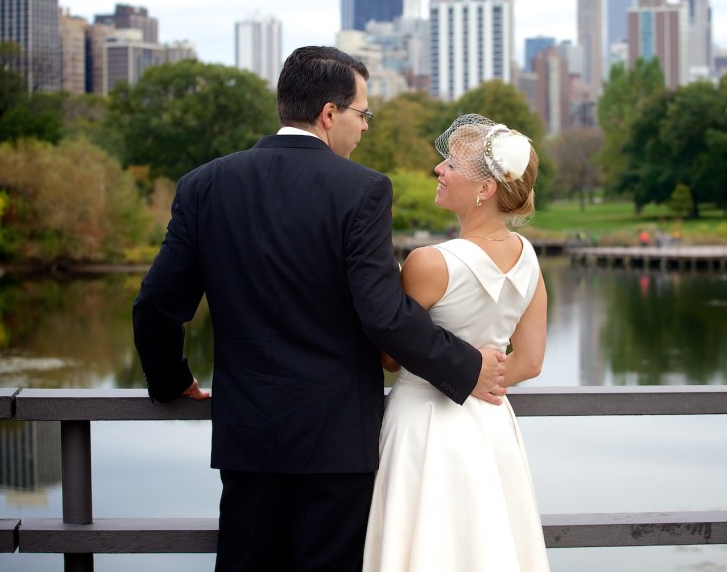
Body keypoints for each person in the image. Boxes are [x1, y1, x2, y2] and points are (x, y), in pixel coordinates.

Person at [132, 47, 508, 572]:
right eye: (363, 114)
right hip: (336, 442)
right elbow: (383, 315)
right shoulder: (362, 190)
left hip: (248, 437)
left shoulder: (204, 185)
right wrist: (467, 366)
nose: (366, 128)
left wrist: (170, 380)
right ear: (330, 115)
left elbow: (155, 304)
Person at [363, 114, 550, 572]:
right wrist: (484, 374)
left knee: (426, 541)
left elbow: (391, 355)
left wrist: (464, 369)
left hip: (426, 427)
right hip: (491, 427)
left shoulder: (430, 262)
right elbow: (530, 360)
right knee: (488, 543)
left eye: (450, 164)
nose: (439, 170)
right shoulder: (529, 260)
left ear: (484, 188)